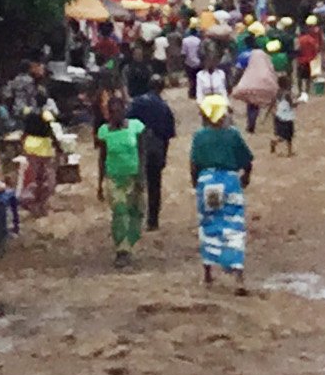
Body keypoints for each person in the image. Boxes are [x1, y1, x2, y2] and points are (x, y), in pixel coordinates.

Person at [189, 95, 255, 293]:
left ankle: (208, 273)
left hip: (207, 183)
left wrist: (196, 185)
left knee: (209, 225)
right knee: (233, 227)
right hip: (229, 183)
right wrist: (246, 177)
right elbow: (247, 160)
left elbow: (193, 165)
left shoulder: (199, 136)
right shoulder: (232, 134)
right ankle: (238, 277)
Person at [96, 99, 145, 267]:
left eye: (119, 111)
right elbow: (102, 158)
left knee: (136, 213)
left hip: (133, 176)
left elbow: (141, 153)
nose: (115, 115)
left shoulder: (136, 127)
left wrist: (141, 176)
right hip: (114, 178)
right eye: (112, 112)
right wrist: (99, 183)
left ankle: (129, 243)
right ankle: (121, 250)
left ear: (124, 111)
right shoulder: (104, 132)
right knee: (120, 212)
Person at [127, 70, 178, 231]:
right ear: (161, 88)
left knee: (134, 184)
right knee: (154, 186)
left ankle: (133, 217)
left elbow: (126, 124)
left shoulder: (137, 102)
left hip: (137, 146)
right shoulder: (165, 108)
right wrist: (164, 156)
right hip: (156, 148)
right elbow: (168, 136)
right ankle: (153, 220)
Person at [18, 97, 64, 220]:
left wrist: (21, 144)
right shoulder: (46, 114)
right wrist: (58, 146)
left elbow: (25, 131)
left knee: (36, 176)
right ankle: (41, 203)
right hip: (43, 148)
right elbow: (50, 131)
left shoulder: (29, 113)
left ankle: (35, 203)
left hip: (30, 147)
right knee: (48, 178)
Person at [295, 22, 324, 98]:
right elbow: (316, 49)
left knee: (299, 77)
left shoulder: (299, 40)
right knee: (308, 77)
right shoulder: (312, 40)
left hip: (301, 61)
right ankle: (307, 91)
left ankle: (300, 91)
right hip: (310, 61)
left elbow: (297, 50)